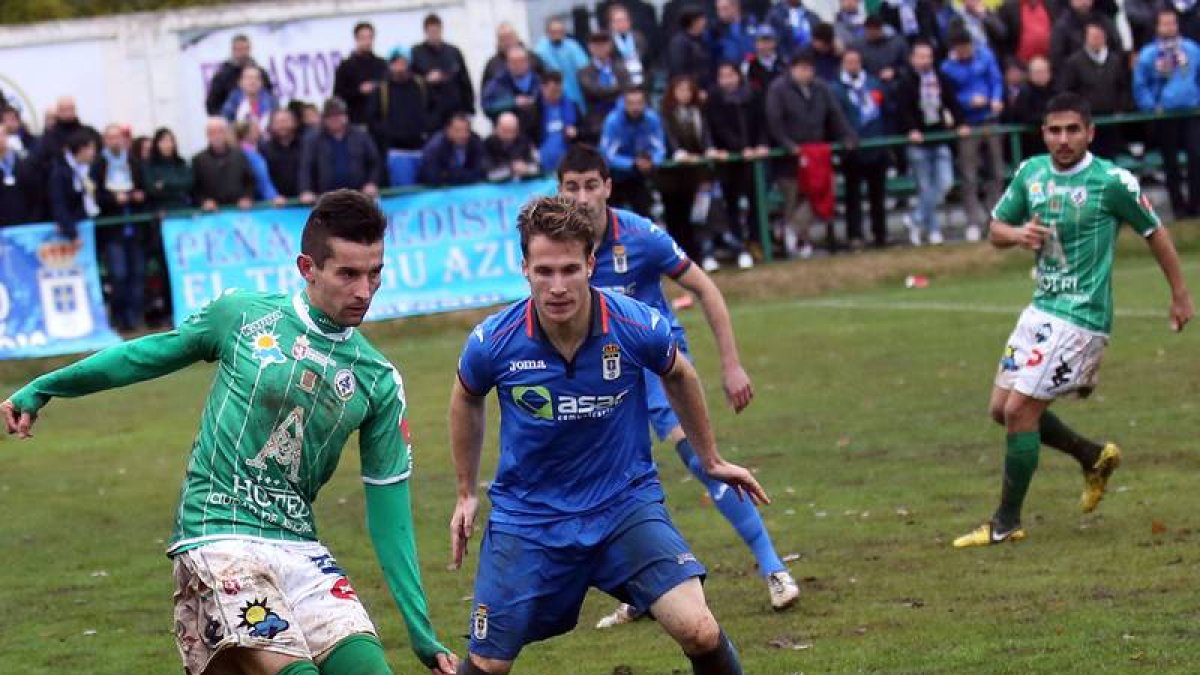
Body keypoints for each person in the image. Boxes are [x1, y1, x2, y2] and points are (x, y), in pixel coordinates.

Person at [3, 190, 460, 675]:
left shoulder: (378, 378)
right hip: (217, 536)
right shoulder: (244, 315)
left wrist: (419, 628)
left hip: (300, 549)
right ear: (308, 267)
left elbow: (390, 515)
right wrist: (45, 387)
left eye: (375, 273)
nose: (365, 291)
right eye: (348, 274)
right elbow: (145, 355)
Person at [448, 194, 767, 674]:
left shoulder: (635, 324)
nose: (558, 286)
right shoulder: (494, 341)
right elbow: (465, 395)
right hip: (530, 516)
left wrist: (711, 458)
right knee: (489, 664)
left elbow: (679, 373)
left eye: (570, 269)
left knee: (698, 628)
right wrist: (466, 492)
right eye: (545, 271)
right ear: (525, 269)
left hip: (623, 504)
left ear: (591, 264)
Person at [954, 93, 1194, 548]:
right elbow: (994, 230)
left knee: (1020, 413)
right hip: (1041, 308)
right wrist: (1018, 233)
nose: (1062, 139)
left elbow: (1155, 234)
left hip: (1083, 317)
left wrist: (1180, 294)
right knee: (999, 410)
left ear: (1090, 132)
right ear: (1043, 133)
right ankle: (1092, 455)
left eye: (1072, 130)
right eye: (1054, 130)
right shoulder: (1031, 172)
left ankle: (1005, 523)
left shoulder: (1112, 182)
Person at [766, 50, 855, 257]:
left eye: (810, 68)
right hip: (789, 160)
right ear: (793, 69)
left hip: (817, 155)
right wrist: (788, 146)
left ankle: (797, 236)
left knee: (817, 195)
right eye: (803, 68)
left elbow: (835, 115)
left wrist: (848, 136)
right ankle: (792, 242)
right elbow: (774, 121)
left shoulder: (820, 88)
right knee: (793, 199)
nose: (807, 73)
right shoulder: (778, 89)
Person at [1134, 9, 1200, 217]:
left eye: (1173, 23)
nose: (1170, 27)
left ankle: (1195, 206)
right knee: (1170, 162)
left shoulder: (1192, 49)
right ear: (1157, 26)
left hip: (1191, 111)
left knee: (1196, 156)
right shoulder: (1148, 54)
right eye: (1165, 24)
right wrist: (1151, 106)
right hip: (1164, 116)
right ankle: (1178, 208)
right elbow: (1140, 84)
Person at [940, 29, 1005, 241]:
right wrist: (968, 101)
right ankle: (973, 221)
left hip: (989, 119)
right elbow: (948, 96)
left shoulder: (985, 56)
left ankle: (995, 217)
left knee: (996, 171)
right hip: (967, 124)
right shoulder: (947, 68)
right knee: (969, 174)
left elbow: (996, 80)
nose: (964, 52)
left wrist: (994, 98)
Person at [896, 40, 962, 246]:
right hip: (918, 142)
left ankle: (915, 218)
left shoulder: (940, 79)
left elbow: (952, 102)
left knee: (945, 182)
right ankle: (932, 229)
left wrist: (961, 122)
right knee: (925, 187)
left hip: (939, 137)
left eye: (929, 56)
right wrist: (911, 129)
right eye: (921, 56)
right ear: (913, 59)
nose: (925, 61)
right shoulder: (905, 81)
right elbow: (902, 108)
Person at [706, 62, 770, 264]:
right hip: (729, 162)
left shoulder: (753, 96)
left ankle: (756, 242)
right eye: (722, 76)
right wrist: (740, 148)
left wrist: (759, 144)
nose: (727, 80)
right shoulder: (714, 100)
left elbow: (762, 123)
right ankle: (736, 245)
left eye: (730, 75)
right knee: (730, 205)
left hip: (752, 161)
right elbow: (718, 127)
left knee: (756, 203)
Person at [833, 48, 890, 250]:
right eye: (848, 62)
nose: (852, 66)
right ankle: (855, 235)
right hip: (852, 152)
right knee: (853, 197)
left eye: (855, 61)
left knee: (878, 196)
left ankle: (880, 234)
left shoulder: (874, 84)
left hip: (876, 147)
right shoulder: (837, 89)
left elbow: (886, 110)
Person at [92, 123, 148, 331]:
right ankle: (120, 318)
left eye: (118, 137)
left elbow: (145, 188)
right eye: (110, 137)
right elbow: (95, 197)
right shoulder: (99, 165)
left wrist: (137, 196)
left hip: (134, 227)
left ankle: (136, 317)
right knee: (119, 275)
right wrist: (114, 200)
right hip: (112, 230)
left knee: (138, 273)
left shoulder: (133, 162)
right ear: (105, 141)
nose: (115, 141)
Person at [657, 75, 717, 267]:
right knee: (676, 217)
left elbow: (705, 137)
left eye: (688, 90)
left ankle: (700, 255)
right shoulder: (665, 114)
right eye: (680, 90)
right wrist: (678, 153)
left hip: (696, 173)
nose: (684, 94)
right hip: (673, 177)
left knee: (699, 216)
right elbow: (668, 139)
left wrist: (709, 150)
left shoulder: (698, 113)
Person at [1060, 21, 1131, 158]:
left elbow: (1123, 87)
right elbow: (1067, 91)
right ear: (1086, 38)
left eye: (1099, 36)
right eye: (1093, 36)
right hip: (1087, 122)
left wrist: (1121, 107)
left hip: (1111, 121)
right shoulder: (1074, 62)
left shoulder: (1114, 60)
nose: (1096, 40)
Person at [366, 47, 433, 187]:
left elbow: (433, 108)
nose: (400, 67)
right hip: (397, 152)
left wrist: (425, 127)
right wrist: (390, 133)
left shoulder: (420, 85)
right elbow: (372, 120)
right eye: (396, 63)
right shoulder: (382, 90)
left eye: (403, 63)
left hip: (422, 148)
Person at [298, 98, 381, 203]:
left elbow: (374, 162)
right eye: (330, 116)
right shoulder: (313, 139)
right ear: (324, 119)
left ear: (345, 116)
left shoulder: (361, 135)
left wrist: (372, 182)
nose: (334, 119)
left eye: (338, 115)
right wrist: (305, 190)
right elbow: (306, 167)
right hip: (326, 199)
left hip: (359, 196)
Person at [599, 87, 665, 217]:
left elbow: (659, 148)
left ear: (644, 103)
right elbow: (607, 154)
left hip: (638, 175)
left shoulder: (652, 119)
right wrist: (632, 163)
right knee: (613, 218)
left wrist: (653, 161)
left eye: (639, 103)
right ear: (624, 103)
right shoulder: (613, 121)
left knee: (645, 216)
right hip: (614, 176)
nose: (635, 107)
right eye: (631, 103)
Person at [411, 14, 476, 129]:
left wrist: (469, 109)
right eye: (431, 31)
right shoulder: (416, 53)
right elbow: (410, 81)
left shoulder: (453, 52)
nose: (434, 35)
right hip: (430, 113)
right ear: (425, 32)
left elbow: (464, 81)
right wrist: (426, 80)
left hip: (454, 112)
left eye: (436, 31)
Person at [579, 31, 633, 145]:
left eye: (603, 44)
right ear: (590, 48)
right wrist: (617, 88)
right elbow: (596, 92)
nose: (600, 48)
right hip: (599, 120)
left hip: (623, 115)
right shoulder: (584, 72)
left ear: (610, 46)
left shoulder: (620, 67)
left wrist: (614, 89)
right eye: (596, 45)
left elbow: (628, 88)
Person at [192, 117, 255, 211]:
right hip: (212, 214)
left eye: (220, 131)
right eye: (212, 132)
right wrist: (203, 201)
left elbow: (250, 182)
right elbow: (194, 189)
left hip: (239, 211)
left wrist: (247, 198)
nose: (217, 136)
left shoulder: (240, 155)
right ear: (207, 135)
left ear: (226, 133)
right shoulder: (198, 160)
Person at [334, 22, 389, 126]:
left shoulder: (381, 64)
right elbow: (338, 95)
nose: (367, 41)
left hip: (379, 121)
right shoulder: (346, 66)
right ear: (356, 39)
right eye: (363, 38)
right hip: (355, 120)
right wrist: (359, 91)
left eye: (370, 37)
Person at [205, 34, 275, 116]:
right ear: (233, 50)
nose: (242, 53)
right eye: (239, 49)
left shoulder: (261, 72)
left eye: (245, 49)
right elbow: (212, 104)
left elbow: (269, 95)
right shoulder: (222, 75)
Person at [47, 129, 99, 240]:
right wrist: (72, 232)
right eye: (91, 148)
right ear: (81, 149)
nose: (94, 152)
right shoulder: (60, 172)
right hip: (70, 232)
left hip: (88, 225)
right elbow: (59, 204)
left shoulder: (89, 170)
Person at [481, 45, 543, 134]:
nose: (518, 65)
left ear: (528, 62)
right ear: (507, 64)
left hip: (537, 130)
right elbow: (487, 105)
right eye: (514, 62)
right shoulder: (498, 82)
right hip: (510, 135)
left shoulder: (538, 80)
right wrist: (513, 102)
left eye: (521, 61)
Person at [534, 17, 591, 107]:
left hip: (575, 93)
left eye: (559, 31)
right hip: (552, 96)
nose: (557, 34)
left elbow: (585, 67)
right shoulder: (540, 50)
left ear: (564, 32)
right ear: (547, 33)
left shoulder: (573, 46)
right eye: (553, 32)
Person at [418, 113, 486, 186]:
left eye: (466, 130)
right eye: (458, 131)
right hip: (436, 191)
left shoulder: (475, 141)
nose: (463, 135)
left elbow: (481, 171)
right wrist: (464, 175)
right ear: (448, 130)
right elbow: (433, 177)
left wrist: (451, 174)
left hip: (467, 188)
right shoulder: (434, 148)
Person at [536, 71, 582, 173]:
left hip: (569, 161)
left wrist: (576, 131)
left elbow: (585, 131)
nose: (557, 94)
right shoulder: (535, 110)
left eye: (559, 91)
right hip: (541, 161)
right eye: (553, 91)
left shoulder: (573, 106)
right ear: (543, 88)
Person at [142, 127, 193, 212]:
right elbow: (152, 190)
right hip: (160, 210)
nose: (167, 145)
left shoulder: (181, 162)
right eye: (163, 141)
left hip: (182, 208)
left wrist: (165, 184)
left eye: (170, 141)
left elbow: (188, 183)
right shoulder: (149, 165)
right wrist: (177, 186)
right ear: (157, 144)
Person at [483, 112, 540, 182]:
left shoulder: (525, 141)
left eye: (513, 131)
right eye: (505, 131)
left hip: (523, 185)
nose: (509, 136)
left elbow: (537, 166)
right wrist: (510, 169)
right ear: (497, 128)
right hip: (497, 187)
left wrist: (526, 168)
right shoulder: (487, 144)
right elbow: (488, 174)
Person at [220, 65, 280, 132]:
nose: (253, 81)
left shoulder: (272, 102)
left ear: (262, 83)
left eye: (256, 78)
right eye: (248, 78)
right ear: (240, 82)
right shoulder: (233, 102)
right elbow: (225, 124)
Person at [236, 121, 283, 205]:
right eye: (255, 129)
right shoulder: (249, 154)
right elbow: (262, 178)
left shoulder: (255, 150)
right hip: (258, 202)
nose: (259, 131)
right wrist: (273, 197)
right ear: (246, 134)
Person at [668, 8, 715, 91]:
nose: (705, 22)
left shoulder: (703, 40)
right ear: (694, 21)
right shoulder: (679, 43)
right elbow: (679, 70)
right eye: (702, 19)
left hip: (706, 87)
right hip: (689, 89)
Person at [998, 0, 1058, 65]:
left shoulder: (1051, 5)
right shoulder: (1009, 7)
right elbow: (1001, 41)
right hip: (1019, 65)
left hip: (1046, 65)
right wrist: (1010, 65)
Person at [261, 109, 303, 199]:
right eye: (278, 122)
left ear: (294, 123)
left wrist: (306, 190)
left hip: (304, 201)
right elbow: (263, 177)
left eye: (285, 121)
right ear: (271, 125)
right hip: (276, 204)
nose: (282, 125)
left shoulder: (305, 145)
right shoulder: (263, 149)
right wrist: (273, 196)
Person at [608, 5, 651, 89]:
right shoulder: (608, 40)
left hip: (641, 81)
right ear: (611, 23)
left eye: (625, 20)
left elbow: (647, 61)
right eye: (618, 20)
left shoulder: (639, 37)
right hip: (619, 82)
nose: (622, 23)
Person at [0, 125, 36, 226]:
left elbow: (35, 194)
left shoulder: (24, 162)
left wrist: (33, 220)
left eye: (2, 135)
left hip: (26, 222)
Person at [744, 26, 787, 96]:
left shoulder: (783, 62)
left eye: (768, 41)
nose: (765, 46)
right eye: (762, 42)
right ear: (756, 44)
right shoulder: (749, 64)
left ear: (775, 43)